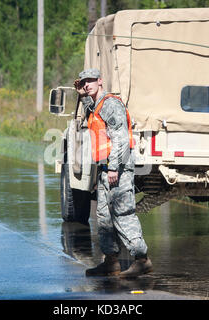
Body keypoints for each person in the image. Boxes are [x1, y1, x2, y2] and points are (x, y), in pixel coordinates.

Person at [74, 68, 153, 278]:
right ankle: (111, 261)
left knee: (122, 213)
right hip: (105, 168)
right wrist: (82, 98)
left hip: (117, 168)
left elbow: (119, 139)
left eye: (90, 81)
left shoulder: (111, 103)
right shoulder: (97, 104)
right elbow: (94, 118)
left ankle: (142, 260)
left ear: (100, 81)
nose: (86, 84)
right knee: (104, 217)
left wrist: (113, 167)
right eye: (84, 82)